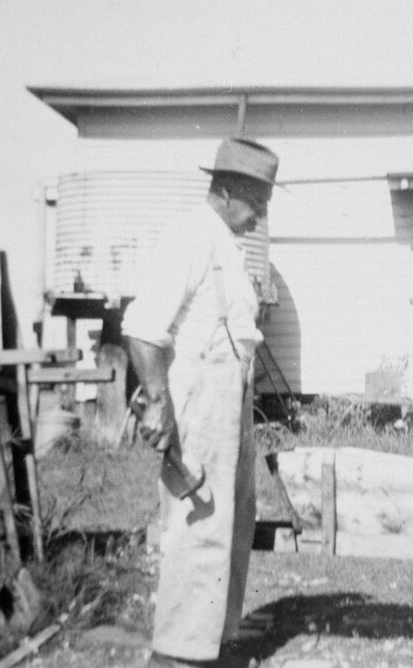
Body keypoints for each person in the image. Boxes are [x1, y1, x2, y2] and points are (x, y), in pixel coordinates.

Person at [123, 138, 278, 667]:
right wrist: (157, 403)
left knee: (235, 520)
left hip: (231, 400)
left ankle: (216, 639)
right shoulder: (189, 235)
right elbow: (142, 331)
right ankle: (176, 654)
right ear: (228, 190)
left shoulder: (227, 247)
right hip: (197, 402)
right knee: (198, 523)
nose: (262, 213)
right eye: (258, 201)